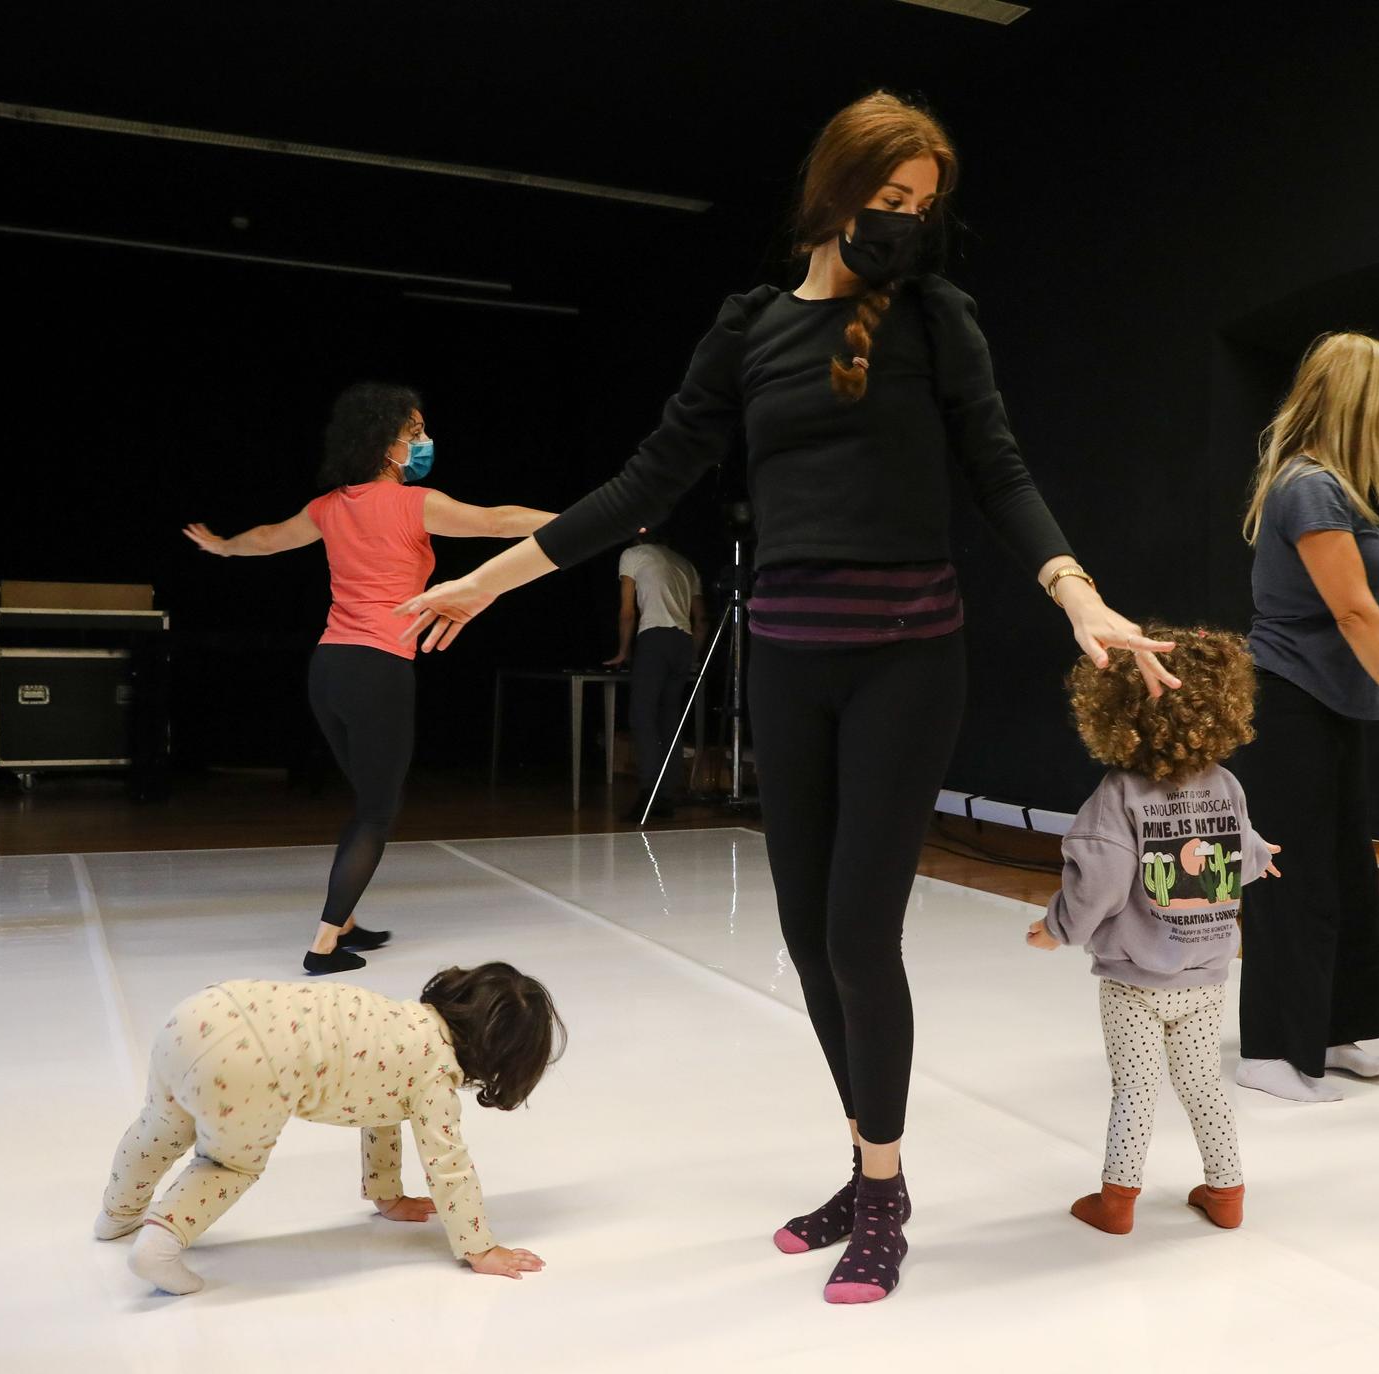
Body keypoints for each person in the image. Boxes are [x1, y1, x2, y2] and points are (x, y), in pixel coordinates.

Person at [393, 91, 1176, 1304]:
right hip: (790, 664)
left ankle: (881, 1191)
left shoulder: (936, 320)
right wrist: (491, 581)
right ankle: (871, 1173)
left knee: (860, 935)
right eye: (889, 202)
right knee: (809, 944)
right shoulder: (749, 329)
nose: (907, 226)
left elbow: (998, 468)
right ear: (831, 193)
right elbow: (645, 480)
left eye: (924, 209)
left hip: (909, 662)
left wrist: (1076, 594)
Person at [183, 384, 555, 974]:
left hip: (328, 670)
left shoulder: (329, 506)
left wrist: (225, 548)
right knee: (378, 812)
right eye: (414, 434)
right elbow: (498, 521)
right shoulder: (415, 504)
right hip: (378, 671)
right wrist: (585, 523)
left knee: (366, 802)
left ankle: (348, 921)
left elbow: (269, 538)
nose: (424, 443)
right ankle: (324, 944)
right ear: (386, 447)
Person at [1228, 332, 1379, 1104]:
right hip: (1289, 701)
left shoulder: (1330, 490)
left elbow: (1353, 609)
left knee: (1344, 875)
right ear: (1364, 405)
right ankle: (1269, 1047)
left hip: (1327, 703)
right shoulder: (1311, 487)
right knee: (1290, 877)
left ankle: (1329, 1029)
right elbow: (1354, 612)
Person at [94, 963, 564, 1294]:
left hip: (205, 1010)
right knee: (226, 1163)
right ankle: (159, 1244)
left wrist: (388, 1196)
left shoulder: (401, 1020)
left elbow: (381, 1115)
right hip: (253, 1065)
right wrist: (479, 1248)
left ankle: (117, 1214)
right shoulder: (434, 1075)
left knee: (161, 1122)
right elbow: (449, 1165)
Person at [1024, 626, 1279, 1234]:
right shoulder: (1226, 784)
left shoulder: (1120, 794)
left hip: (1134, 980)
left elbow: (1101, 880)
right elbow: (1235, 848)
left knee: (1135, 1090)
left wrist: (1056, 927)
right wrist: (1259, 855)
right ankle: (1227, 1192)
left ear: (1115, 712)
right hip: (1206, 976)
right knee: (1202, 1087)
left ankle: (1116, 1201)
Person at [606, 527, 706, 822]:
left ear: (638, 537)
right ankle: (667, 794)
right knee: (669, 719)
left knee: (643, 716)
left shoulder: (633, 555)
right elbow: (701, 619)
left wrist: (624, 650)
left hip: (654, 638)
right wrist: (693, 657)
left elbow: (628, 610)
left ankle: (650, 793)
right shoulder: (685, 564)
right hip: (683, 642)